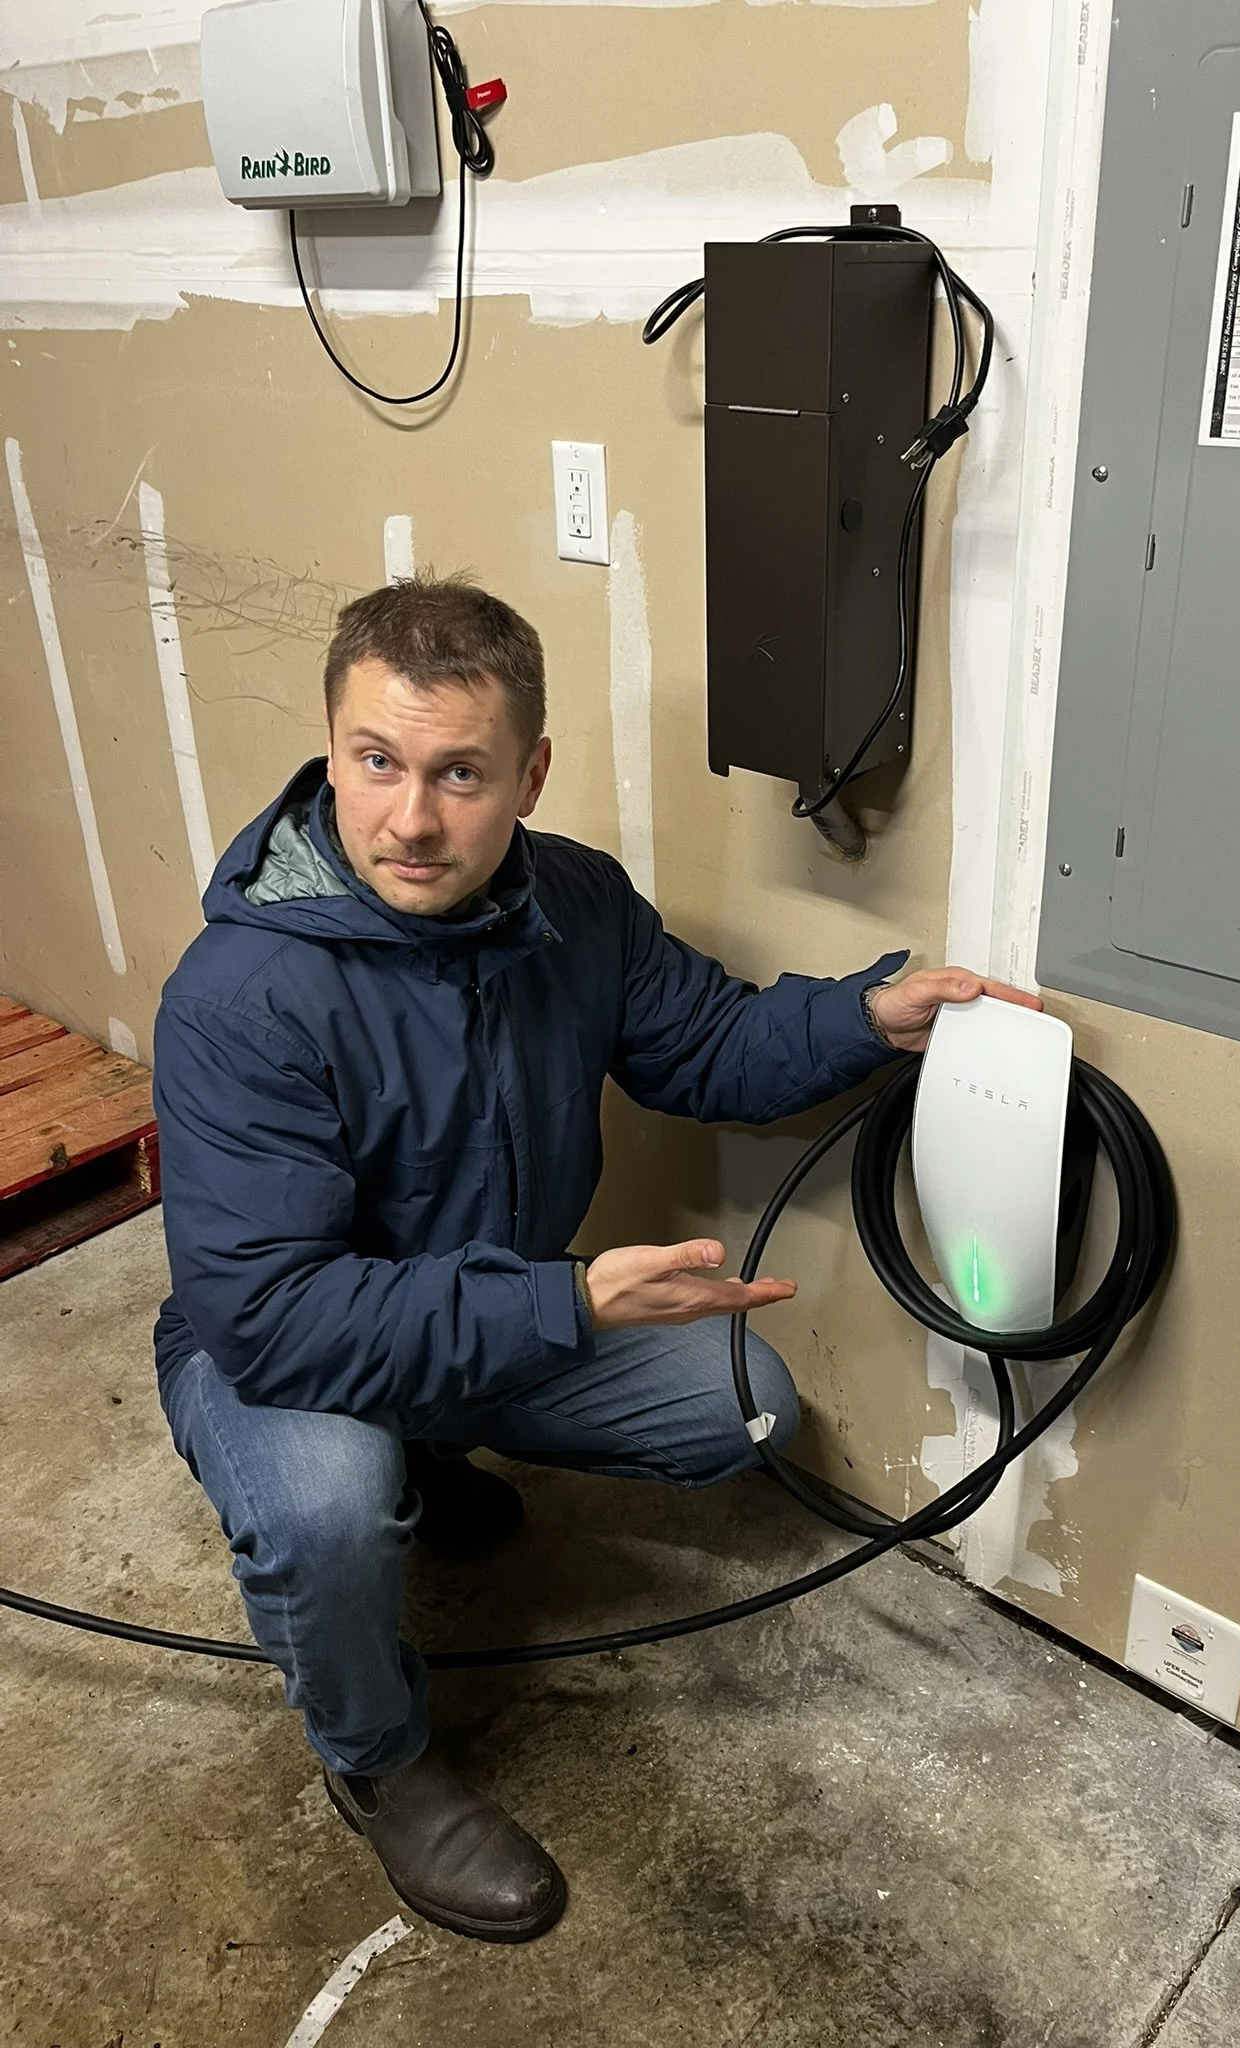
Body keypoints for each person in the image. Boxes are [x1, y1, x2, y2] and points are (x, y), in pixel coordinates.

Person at [152, 574, 1038, 1944]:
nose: (410, 817)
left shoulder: (573, 904)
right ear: (332, 748)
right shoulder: (242, 994)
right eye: (375, 762)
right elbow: (271, 1314)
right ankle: (378, 1763)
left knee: (737, 1402)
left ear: (531, 773)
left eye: (461, 773)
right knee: (329, 1509)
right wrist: (568, 1297)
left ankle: (429, 1450)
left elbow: (707, 1046)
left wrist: (870, 1016)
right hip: (279, 1347)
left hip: (483, 1306)